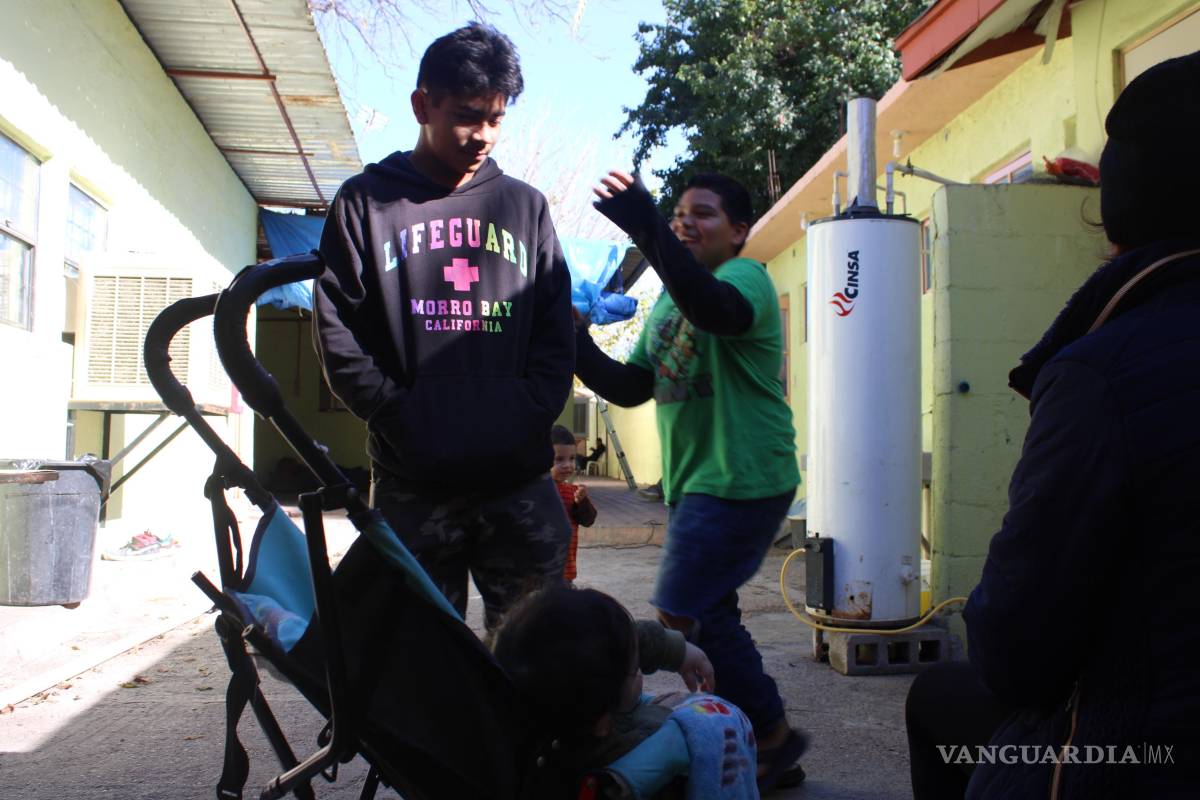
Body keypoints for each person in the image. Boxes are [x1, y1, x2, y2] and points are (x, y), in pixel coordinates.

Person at [905, 51, 1200, 799]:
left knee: (956, 704)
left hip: (1150, 757)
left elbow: (1016, 652)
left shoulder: (1101, 371)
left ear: (1123, 203)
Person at [312, 22, 575, 633]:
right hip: (415, 479)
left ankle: (529, 736)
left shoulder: (525, 207)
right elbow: (338, 332)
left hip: (516, 479)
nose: (481, 135)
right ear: (421, 105)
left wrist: (527, 411)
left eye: (495, 118)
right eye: (465, 115)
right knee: (422, 653)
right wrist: (400, 416)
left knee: (544, 650)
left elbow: (554, 332)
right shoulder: (365, 203)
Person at [574, 170, 805, 792]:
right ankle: (765, 735)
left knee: (683, 609)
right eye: (679, 212)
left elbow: (716, 310)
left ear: (738, 231)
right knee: (708, 614)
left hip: (742, 474)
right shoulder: (669, 305)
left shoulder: (744, 278)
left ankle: (771, 732)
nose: (686, 220)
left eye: (702, 213)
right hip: (696, 484)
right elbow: (630, 386)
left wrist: (649, 227)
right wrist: (574, 343)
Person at [494, 585, 760, 799]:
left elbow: (603, 643)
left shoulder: (516, 718)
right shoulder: (644, 742)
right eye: (636, 670)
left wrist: (673, 650)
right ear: (602, 723)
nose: (640, 672)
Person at [551, 424, 598, 583]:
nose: (567, 465)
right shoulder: (536, 492)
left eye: (572, 458)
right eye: (559, 459)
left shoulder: (573, 491)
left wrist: (582, 502)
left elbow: (588, 520)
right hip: (538, 572)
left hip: (566, 571)